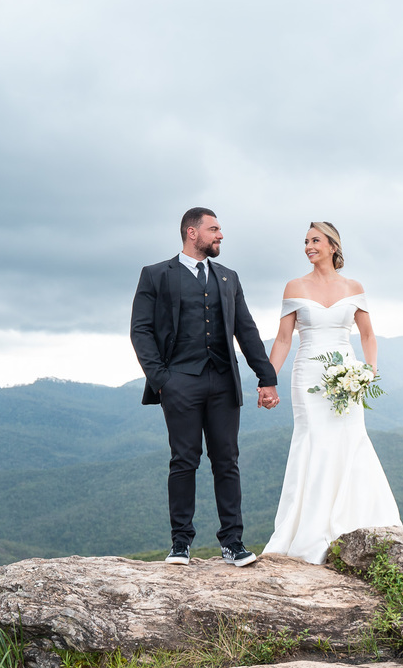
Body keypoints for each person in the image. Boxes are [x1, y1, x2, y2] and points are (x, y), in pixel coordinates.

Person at [130, 207, 280, 567]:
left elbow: (246, 330)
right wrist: (162, 380)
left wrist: (267, 377)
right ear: (191, 233)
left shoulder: (228, 278)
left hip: (223, 382)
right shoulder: (155, 275)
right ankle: (180, 544)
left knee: (227, 461)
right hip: (179, 382)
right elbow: (141, 330)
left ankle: (233, 543)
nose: (220, 235)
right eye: (214, 229)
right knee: (184, 461)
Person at [262, 221, 401, 564]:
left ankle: (356, 521)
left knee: (350, 440)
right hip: (308, 375)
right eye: (306, 241)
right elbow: (283, 339)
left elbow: (368, 335)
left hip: (347, 374)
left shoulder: (354, 287)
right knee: (314, 442)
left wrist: (368, 370)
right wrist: (268, 380)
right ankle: (308, 532)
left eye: (315, 240)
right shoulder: (294, 286)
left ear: (333, 246)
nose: (308, 246)